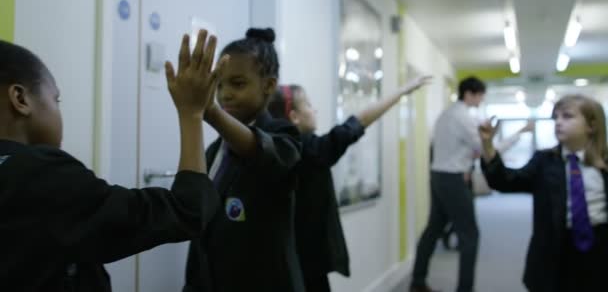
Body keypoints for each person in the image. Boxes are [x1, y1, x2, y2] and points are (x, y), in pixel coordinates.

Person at [0, 31, 224, 291]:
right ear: (20, 99)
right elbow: (188, 210)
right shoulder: (40, 173)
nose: (58, 109)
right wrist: (191, 113)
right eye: (55, 99)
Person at [268, 76, 431, 291]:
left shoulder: (268, 149)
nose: (314, 109)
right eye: (307, 104)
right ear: (294, 117)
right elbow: (359, 121)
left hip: (280, 259)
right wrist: (402, 92)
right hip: (308, 263)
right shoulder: (312, 151)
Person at [183, 28, 304, 292]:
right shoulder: (215, 150)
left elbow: (261, 150)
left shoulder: (285, 138)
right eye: (218, 85)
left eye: (237, 84)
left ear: (268, 86)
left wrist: (209, 110)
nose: (224, 94)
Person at [480, 94, 608, 291]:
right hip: (555, 247)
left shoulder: (604, 164)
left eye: (567, 116)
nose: (558, 122)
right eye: (555, 117)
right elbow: (505, 181)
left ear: (591, 126)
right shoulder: (545, 161)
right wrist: (488, 146)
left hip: (599, 245)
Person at [410, 76, 487, 292]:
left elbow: (449, 148)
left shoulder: (446, 114)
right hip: (452, 178)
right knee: (470, 235)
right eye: (480, 95)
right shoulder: (463, 117)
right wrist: (516, 135)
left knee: (433, 228)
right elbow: (484, 149)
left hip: (438, 175)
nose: (481, 100)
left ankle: (417, 280)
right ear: (470, 94)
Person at [441, 120, 535, 250]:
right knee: (463, 222)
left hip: (453, 179)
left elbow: (493, 153)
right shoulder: (464, 138)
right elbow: (494, 151)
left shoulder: (459, 140)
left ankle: (451, 238)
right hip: (456, 181)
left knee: (452, 218)